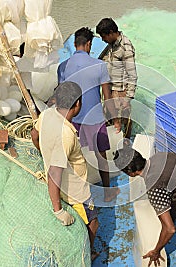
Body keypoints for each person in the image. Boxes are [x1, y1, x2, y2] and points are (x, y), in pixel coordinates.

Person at [30, 81, 99, 260]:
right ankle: (87, 254)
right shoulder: (66, 134)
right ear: (77, 104)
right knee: (93, 223)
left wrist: (44, 152)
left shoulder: (46, 114)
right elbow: (54, 173)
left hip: (63, 185)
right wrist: (58, 210)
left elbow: (34, 135)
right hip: (76, 192)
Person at [57, 27, 121, 202]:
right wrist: (115, 120)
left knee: (71, 156)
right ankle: (108, 192)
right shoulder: (99, 66)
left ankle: (71, 193)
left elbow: (62, 95)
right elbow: (107, 98)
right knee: (101, 156)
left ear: (75, 44)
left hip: (72, 118)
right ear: (89, 44)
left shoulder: (62, 67)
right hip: (94, 118)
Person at [96, 18, 138, 139]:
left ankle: (125, 146)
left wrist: (128, 98)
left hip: (120, 92)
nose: (103, 40)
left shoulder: (125, 47)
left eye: (104, 36)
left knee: (123, 122)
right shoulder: (110, 45)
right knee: (110, 119)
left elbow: (132, 74)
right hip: (110, 89)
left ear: (111, 32)